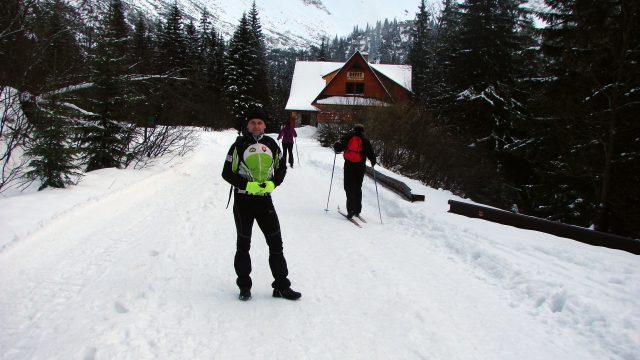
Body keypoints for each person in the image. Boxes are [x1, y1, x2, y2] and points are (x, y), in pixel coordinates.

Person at [221, 107, 301, 301]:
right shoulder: (238, 145)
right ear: (247, 125)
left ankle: (281, 286)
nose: (256, 125)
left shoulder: (272, 144)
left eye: (259, 122)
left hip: (264, 200)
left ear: (265, 125)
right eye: (252, 122)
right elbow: (226, 173)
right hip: (243, 201)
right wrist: (247, 185)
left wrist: (274, 182)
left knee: (276, 244)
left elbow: (281, 168)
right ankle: (244, 287)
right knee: (243, 245)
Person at [333, 124, 376, 219]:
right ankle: (357, 210)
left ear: (354, 129)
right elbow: (371, 154)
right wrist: (373, 161)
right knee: (357, 187)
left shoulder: (349, 136)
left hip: (349, 165)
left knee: (348, 187)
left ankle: (351, 210)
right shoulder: (365, 140)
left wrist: (336, 146)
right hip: (360, 166)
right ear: (362, 131)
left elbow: (339, 148)